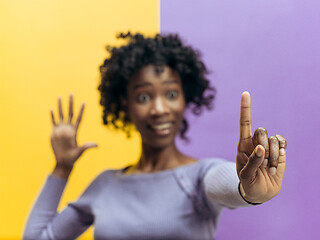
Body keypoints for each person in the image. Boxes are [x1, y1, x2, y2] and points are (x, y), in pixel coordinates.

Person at [23, 32, 287, 239]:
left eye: (171, 94)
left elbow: (229, 182)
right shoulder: (105, 186)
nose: (159, 109)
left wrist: (249, 191)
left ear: (186, 99)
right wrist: (62, 167)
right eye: (144, 96)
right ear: (125, 104)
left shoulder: (200, 177)